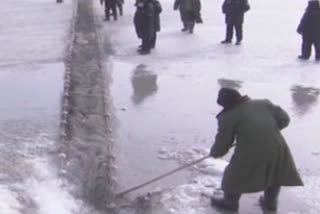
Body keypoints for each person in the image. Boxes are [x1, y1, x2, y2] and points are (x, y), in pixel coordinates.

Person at [209, 88, 303, 212]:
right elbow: (284, 119)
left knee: (234, 174)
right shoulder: (264, 103)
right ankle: (270, 204)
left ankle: (229, 202)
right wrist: (265, 132)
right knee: (275, 173)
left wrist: (215, 153)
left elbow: (223, 143)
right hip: (277, 146)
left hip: (251, 151)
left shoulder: (228, 117)